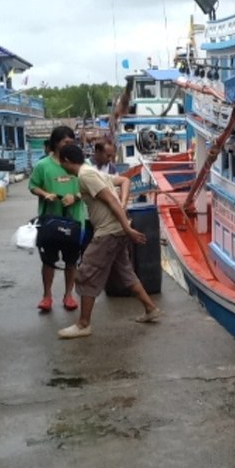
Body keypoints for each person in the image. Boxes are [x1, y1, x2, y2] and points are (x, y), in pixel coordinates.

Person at [55, 143, 161, 339]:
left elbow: (111, 201)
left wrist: (127, 227)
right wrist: (124, 217)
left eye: (60, 161)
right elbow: (124, 181)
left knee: (87, 272)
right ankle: (150, 308)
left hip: (108, 232)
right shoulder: (94, 173)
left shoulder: (86, 175)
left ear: (67, 161)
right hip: (116, 231)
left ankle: (83, 324)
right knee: (125, 272)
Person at [28, 125, 86, 312]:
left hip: (74, 221)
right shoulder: (43, 165)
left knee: (71, 261)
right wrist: (45, 194)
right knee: (48, 261)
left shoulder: (83, 164)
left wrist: (75, 196)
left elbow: (92, 186)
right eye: (65, 142)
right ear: (56, 143)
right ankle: (47, 296)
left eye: (72, 142)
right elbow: (33, 186)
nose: (69, 145)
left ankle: (69, 295)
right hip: (50, 222)